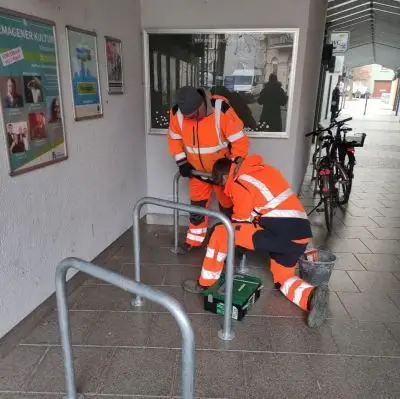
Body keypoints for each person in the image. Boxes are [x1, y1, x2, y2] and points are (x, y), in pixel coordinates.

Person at [183, 154, 329, 328]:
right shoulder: (262, 170)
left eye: (221, 184)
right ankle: (312, 297)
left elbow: (240, 221)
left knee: (222, 231)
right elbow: (265, 208)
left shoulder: (239, 182)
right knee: (282, 278)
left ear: (224, 177)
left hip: (280, 232)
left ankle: (204, 284)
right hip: (299, 234)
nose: (223, 188)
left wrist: (236, 237)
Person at [168, 86, 249, 252]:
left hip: (221, 173)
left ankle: (235, 242)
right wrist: (182, 162)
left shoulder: (221, 110)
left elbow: (240, 143)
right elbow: (174, 138)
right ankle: (194, 240)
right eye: (188, 117)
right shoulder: (177, 113)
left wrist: (230, 169)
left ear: (202, 104)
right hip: (197, 172)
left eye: (195, 115)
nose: (192, 119)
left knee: (228, 208)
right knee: (197, 208)